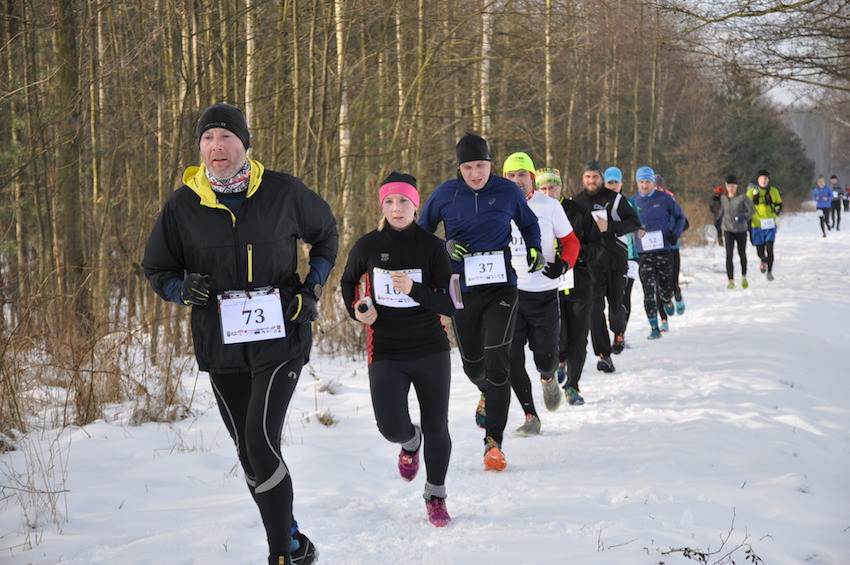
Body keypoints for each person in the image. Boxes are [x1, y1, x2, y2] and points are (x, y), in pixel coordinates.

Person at [142, 103, 337, 565]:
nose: (217, 146)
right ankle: (291, 535)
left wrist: (311, 289)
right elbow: (157, 268)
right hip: (222, 346)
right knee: (248, 454)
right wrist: (180, 290)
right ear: (200, 148)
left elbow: (326, 234)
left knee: (260, 442)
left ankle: (281, 554)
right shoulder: (181, 206)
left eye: (226, 137)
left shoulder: (283, 192)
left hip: (281, 338)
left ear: (244, 144)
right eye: (207, 138)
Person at [419, 133, 542, 471]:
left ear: (490, 163)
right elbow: (421, 234)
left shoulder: (508, 191)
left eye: (481, 166)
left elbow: (529, 224)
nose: (475, 173)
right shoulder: (444, 194)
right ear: (459, 168)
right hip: (461, 288)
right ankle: (486, 391)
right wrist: (444, 247)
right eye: (468, 167)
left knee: (498, 361)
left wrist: (533, 247)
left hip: (502, 287)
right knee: (473, 365)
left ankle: (493, 443)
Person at [340, 172, 456, 527]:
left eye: (403, 200)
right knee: (390, 427)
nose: (396, 208)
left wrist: (415, 290)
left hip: (430, 347)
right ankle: (409, 440)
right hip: (386, 348)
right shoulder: (368, 245)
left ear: (415, 205)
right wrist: (359, 309)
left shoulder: (433, 247)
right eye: (389, 201)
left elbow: (451, 303)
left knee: (437, 425)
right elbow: (348, 282)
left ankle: (435, 494)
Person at [502, 153, 579, 432]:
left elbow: (571, 242)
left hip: (544, 294)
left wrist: (564, 264)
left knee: (545, 359)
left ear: (532, 177)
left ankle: (548, 378)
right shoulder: (497, 206)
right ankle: (530, 416)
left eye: (522, 174)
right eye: (511, 175)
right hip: (509, 294)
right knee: (512, 358)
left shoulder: (549, 206)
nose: (517, 180)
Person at [570, 160, 641, 372]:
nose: (591, 180)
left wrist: (610, 226)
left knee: (616, 306)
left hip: (615, 260)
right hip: (590, 263)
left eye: (595, 176)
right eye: (587, 177)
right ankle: (604, 355)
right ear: (583, 179)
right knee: (594, 309)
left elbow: (634, 223)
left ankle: (618, 332)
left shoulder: (615, 199)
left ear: (601, 178)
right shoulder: (576, 202)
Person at [537, 168, 595, 406]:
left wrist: (573, 255)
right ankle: (560, 360)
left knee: (579, 337)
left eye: (552, 187)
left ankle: (572, 385)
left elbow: (597, 246)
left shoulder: (578, 211)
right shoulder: (531, 212)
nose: (548, 193)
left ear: (560, 187)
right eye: (543, 188)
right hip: (547, 284)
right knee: (558, 336)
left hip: (578, 281)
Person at [632, 166, 686, 339]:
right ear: (637, 183)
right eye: (641, 182)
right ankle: (654, 326)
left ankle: (667, 299)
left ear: (653, 183)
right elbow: (625, 224)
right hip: (643, 254)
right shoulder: (633, 202)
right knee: (648, 290)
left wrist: (675, 234)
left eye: (648, 182)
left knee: (666, 287)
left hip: (663, 251)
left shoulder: (665, 199)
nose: (644, 185)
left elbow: (681, 217)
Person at [603, 166, 639, 352]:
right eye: (609, 182)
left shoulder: (629, 203)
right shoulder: (599, 202)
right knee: (609, 298)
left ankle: (620, 334)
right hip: (605, 258)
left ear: (622, 183)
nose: (613, 186)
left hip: (630, 257)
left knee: (624, 295)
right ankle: (614, 330)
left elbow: (636, 224)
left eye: (616, 182)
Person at [719, 175, 755, 287]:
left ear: (737, 186)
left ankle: (744, 277)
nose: (731, 188)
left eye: (733, 186)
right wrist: (717, 221)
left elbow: (752, 210)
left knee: (741, 253)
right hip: (727, 229)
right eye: (729, 186)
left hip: (741, 230)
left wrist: (745, 217)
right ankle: (730, 280)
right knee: (729, 254)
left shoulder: (743, 197)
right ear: (726, 186)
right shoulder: (723, 198)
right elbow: (722, 211)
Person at [747, 169, 783, 281]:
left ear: (768, 180)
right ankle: (763, 260)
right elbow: (745, 206)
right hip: (757, 225)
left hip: (770, 225)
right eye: (761, 178)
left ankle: (770, 272)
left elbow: (779, 204)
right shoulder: (751, 192)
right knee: (760, 251)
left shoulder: (774, 191)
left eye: (765, 178)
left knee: (770, 248)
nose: (763, 180)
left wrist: (777, 209)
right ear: (758, 180)